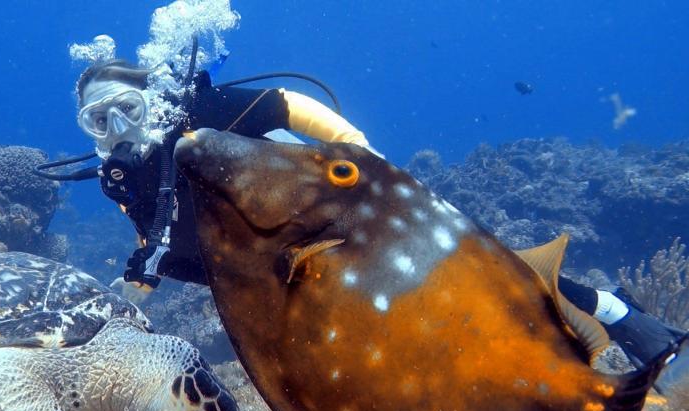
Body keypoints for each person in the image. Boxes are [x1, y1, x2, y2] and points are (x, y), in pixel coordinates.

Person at [73, 59, 686, 370]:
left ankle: (618, 314)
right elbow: (162, 238)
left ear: (151, 100)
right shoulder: (119, 176)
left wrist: (360, 155)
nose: (118, 130)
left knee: (475, 269)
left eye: (125, 109)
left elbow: (288, 104)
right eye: (98, 121)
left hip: (340, 213)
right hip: (292, 261)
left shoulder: (208, 110)